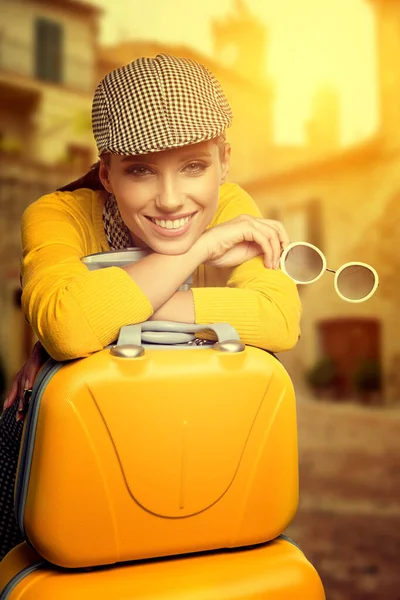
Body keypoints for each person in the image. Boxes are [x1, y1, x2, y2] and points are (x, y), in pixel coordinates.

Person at [0, 54, 301, 560]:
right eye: (140, 170)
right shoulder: (55, 215)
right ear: (108, 174)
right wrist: (200, 250)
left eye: (194, 167)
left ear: (224, 161)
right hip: (75, 456)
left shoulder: (231, 204)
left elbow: (280, 318)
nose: (169, 200)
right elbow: (69, 327)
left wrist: (107, 314)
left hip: (202, 441)